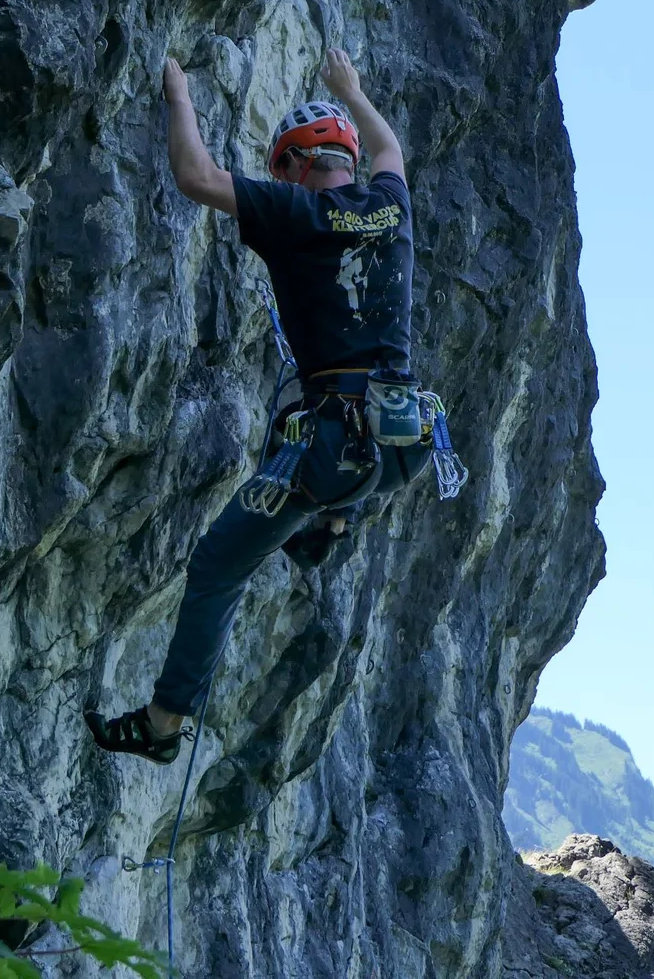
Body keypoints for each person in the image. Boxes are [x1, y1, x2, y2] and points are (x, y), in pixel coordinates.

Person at [84, 47, 428, 764]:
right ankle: (330, 522)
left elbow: (196, 177)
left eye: (281, 169)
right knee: (294, 425)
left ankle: (163, 723)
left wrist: (179, 95)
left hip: (334, 447)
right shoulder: (390, 205)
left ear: (297, 165)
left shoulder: (296, 211)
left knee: (219, 562)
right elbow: (391, 149)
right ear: (348, 158)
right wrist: (352, 90)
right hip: (403, 441)